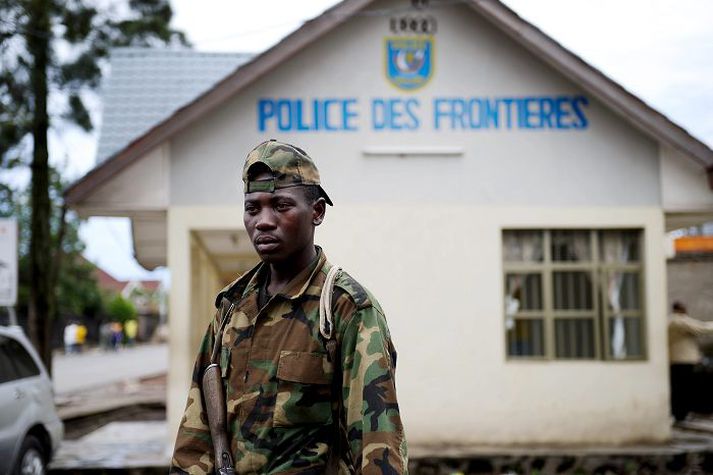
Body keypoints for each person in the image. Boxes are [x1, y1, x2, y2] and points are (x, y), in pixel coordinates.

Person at [171, 140, 408, 474]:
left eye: (281, 206)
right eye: (253, 208)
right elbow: (195, 439)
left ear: (317, 212)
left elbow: (378, 447)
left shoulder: (345, 310)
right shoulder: (231, 309)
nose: (264, 221)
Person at [668, 301, 713, 421]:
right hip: (683, 361)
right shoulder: (679, 321)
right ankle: (681, 414)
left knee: (678, 387)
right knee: (683, 388)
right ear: (680, 309)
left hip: (675, 360)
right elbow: (701, 328)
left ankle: (679, 413)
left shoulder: (671, 321)